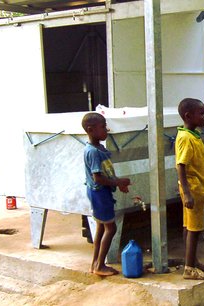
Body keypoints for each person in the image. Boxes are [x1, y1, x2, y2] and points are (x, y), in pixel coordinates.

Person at [82, 112, 131, 277]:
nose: (106, 130)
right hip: (99, 193)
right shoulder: (93, 152)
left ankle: (95, 263)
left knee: (101, 228)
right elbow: (98, 177)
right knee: (111, 228)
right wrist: (117, 182)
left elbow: (107, 173)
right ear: (91, 130)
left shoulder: (99, 148)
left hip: (100, 192)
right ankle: (100, 265)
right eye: (103, 127)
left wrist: (118, 182)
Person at [175, 98, 204, 280]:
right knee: (194, 229)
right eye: (202, 114)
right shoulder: (185, 138)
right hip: (194, 190)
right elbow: (181, 165)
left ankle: (192, 260)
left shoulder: (192, 135)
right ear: (188, 116)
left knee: (188, 226)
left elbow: (194, 156)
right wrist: (188, 194)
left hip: (197, 189)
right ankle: (189, 269)